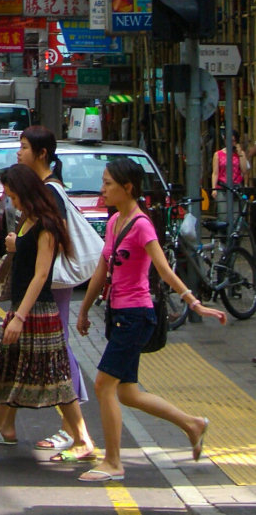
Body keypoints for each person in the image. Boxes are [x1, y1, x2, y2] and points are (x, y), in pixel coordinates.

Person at [76, 158, 227, 482]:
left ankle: (114, 462)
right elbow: (103, 271)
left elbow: (163, 268)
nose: (102, 190)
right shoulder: (115, 220)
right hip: (118, 314)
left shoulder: (142, 224)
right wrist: (85, 309)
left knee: (104, 385)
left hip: (136, 315)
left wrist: (193, 302)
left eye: (108, 184)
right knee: (127, 393)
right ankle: (193, 424)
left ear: (127, 187)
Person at [0, 164, 81, 464]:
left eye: (14, 196)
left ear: (26, 193)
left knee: (57, 378)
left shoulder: (46, 224)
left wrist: (20, 316)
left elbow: (41, 274)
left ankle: (83, 439)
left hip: (37, 312)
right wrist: (15, 246)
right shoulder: (28, 220)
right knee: (3, 373)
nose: (12, 202)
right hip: (22, 310)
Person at [0, 126, 94, 459]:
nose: (18, 152)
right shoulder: (37, 202)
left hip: (43, 299)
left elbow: (44, 267)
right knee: (12, 366)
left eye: (24, 147)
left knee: (55, 367)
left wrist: (21, 313)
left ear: (41, 153)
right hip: (30, 301)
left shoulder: (48, 199)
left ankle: (77, 435)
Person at [211, 130, 248, 219]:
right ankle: (223, 232)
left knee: (235, 215)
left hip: (235, 188)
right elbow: (215, 173)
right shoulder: (218, 154)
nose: (231, 143)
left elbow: (244, 170)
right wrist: (214, 188)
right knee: (223, 214)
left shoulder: (240, 154)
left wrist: (240, 154)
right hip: (222, 187)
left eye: (233, 141)